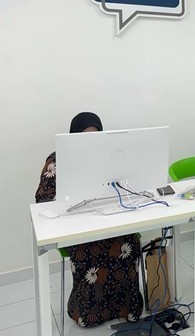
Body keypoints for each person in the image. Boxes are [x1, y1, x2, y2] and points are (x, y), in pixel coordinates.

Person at [35, 112, 143, 327]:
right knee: (89, 249)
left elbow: (123, 184)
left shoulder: (109, 156)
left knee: (128, 240)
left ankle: (128, 308)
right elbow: (42, 199)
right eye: (84, 135)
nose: (90, 140)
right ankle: (88, 314)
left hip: (109, 220)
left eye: (95, 134)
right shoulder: (57, 160)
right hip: (77, 226)